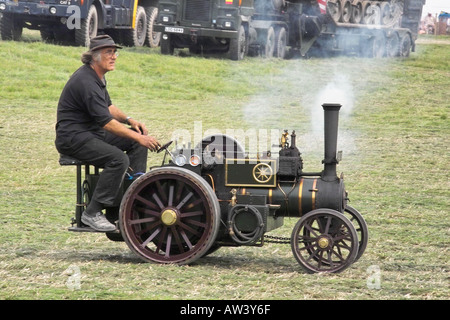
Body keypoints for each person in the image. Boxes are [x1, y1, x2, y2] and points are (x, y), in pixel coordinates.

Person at [55, 35, 160, 232]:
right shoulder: (86, 81)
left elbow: (108, 108)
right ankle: (92, 213)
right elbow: (106, 123)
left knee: (136, 144)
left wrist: (130, 121)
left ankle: (127, 203)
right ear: (94, 56)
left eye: (114, 52)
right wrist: (140, 136)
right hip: (73, 137)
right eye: (108, 52)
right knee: (118, 159)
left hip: (91, 133)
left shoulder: (97, 77)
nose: (114, 57)